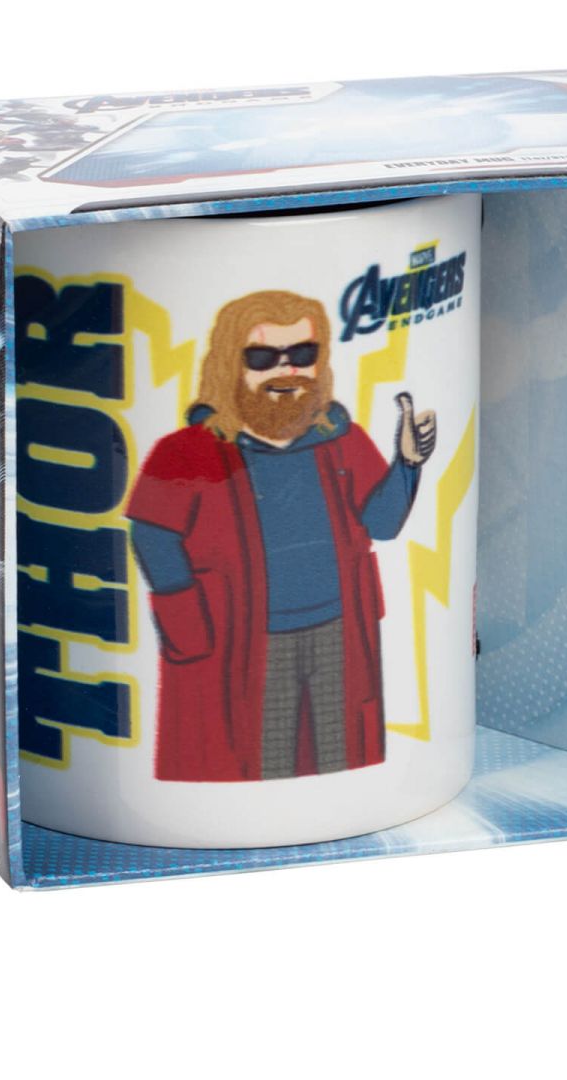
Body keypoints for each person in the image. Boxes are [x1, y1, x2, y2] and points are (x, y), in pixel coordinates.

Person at [126, 289, 436, 782]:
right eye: (263, 357)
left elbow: (381, 523)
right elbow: (151, 534)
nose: (286, 369)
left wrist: (408, 463)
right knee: (258, 759)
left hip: (339, 629)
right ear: (231, 364)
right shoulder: (185, 451)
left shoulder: (341, 438)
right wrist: (189, 628)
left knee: (340, 752)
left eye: (302, 354)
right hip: (246, 641)